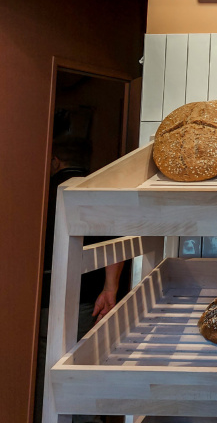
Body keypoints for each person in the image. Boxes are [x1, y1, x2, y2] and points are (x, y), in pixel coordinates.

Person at [34, 138, 128, 423]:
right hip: (86, 296)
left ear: (54, 161)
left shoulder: (41, 193)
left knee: (45, 371)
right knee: (82, 363)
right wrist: (110, 289)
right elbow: (117, 242)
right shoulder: (98, 191)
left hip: (44, 298)